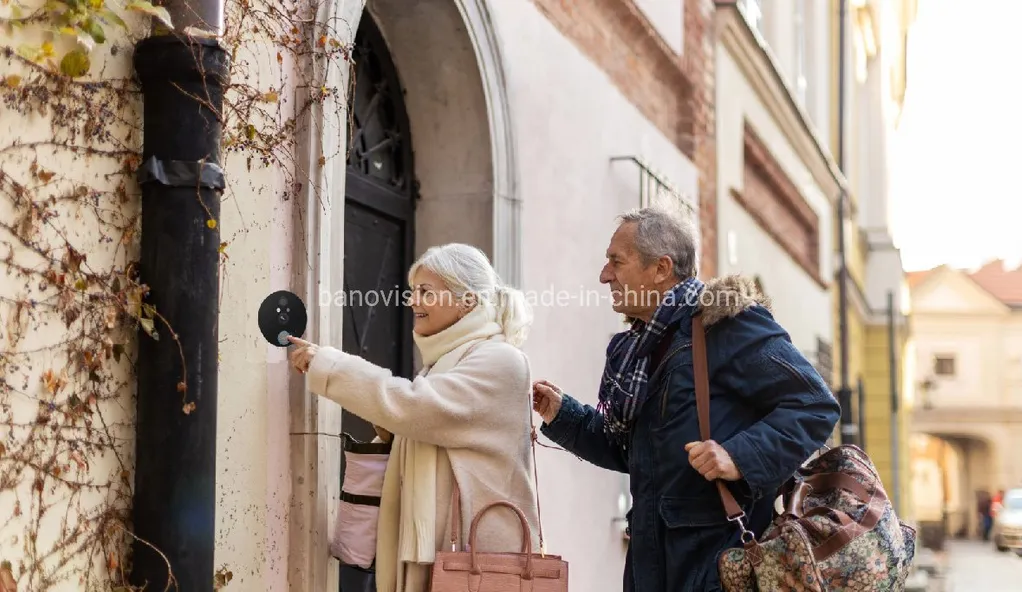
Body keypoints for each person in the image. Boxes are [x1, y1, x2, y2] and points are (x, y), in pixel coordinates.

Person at [532, 207, 840, 591]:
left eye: (616, 261)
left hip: (719, 567)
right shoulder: (641, 349)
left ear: (661, 269)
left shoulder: (725, 323)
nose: (604, 275)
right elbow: (634, 453)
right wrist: (564, 415)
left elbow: (814, 405)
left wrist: (737, 456)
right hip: (652, 566)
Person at [288, 243, 539, 592]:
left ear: (466, 300)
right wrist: (395, 430)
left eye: (426, 291)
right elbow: (425, 420)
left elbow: (417, 408)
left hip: (477, 560)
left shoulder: (500, 360)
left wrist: (331, 367)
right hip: (449, 552)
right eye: (412, 291)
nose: (413, 301)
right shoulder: (448, 363)